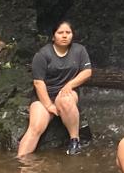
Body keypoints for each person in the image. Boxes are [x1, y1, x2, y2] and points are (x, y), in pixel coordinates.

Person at [17, 20, 93, 157]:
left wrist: (70, 84)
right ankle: (21, 162)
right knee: (36, 126)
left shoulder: (79, 50)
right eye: (60, 33)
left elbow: (87, 72)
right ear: (53, 36)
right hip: (44, 96)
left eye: (68, 33)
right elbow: (38, 83)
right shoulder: (42, 54)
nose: (64, 36)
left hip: (67, 92)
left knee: (65, 100)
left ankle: (74, 140)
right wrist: (49, 105)